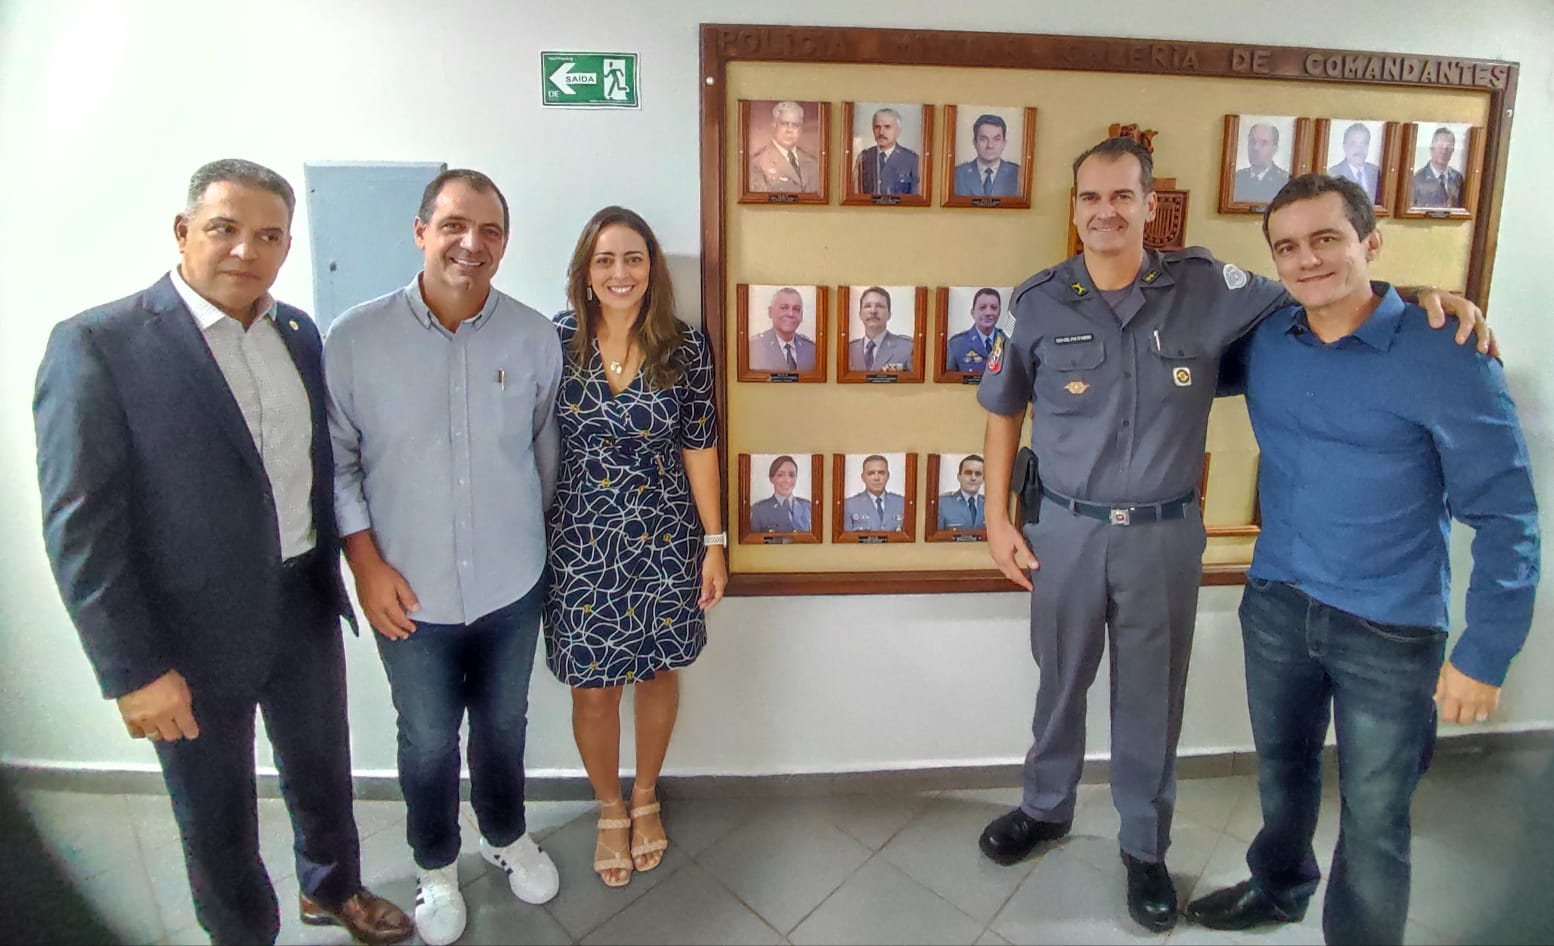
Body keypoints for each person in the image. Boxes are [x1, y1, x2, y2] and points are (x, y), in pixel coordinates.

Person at [973, 136, 1487, 934]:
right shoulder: (1037, 300)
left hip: (1163, 534)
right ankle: (1046, 808)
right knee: (1059, 681)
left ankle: (1145, 849)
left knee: (1152, 698)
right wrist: (997, 516)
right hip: (1064, 530)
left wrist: (1415, 294)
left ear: (1151, 205)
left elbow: (1323, 293)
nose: (1105, 212)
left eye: (1122, 196)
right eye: (1089, 199)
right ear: (1073, 209)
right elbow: (1003, 405)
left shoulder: (1208, 287)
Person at [33, 159, 413, 946]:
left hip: (302, 601)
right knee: (215, 807)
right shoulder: (99, 344)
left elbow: (321, 467)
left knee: (322, 768)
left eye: (268, 236)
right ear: (183, 232)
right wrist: (131, 669)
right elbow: (79, 526)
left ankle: (332, 888)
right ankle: (243, 931)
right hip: (187, 634)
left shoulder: (298, 333)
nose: (247, 250)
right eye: (224, 229)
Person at [1183, 174, 1539, 945]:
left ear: (1370, 243)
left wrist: (1486, 652)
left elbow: (1508, 515)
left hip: (1392, 629)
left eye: (1327, 239)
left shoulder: (1449, 354)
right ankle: (1279, 889)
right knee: (1282, 778)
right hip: (1279, 603)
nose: (1307, 260)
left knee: (1376, 819)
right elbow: (1175, 367)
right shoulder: (1271, 343)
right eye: (1288, 247)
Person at [324, 169, 563, 945]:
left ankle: (505, 835)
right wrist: (365, 566)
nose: (472, 243)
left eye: (491, 230)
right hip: (409, 591)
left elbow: (543, 453)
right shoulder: (354, 339)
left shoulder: (532, 337)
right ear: (421, 230)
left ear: (505, 243)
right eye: (456, 225)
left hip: (510, 582)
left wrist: (538, 546)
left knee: (504, 725)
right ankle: (434, 868)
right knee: (427, 737)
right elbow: (339, 465)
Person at [546, 206, 727, 889]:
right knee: (593, 691)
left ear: (652, 270)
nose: (619, 273)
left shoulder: (685, 347)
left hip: (663, 538)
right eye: (605, 260)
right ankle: (608, 808)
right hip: (580, 541)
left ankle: (646, 794)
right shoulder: (554, 340)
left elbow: (699, 444)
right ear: (585, 273)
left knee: (656, 673)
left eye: (633, 258)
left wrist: (714, 543)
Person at [748, 100, 821, 194]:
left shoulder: (813, 162)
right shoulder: (757, 163)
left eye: (795, 125)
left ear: (801, 129)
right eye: (784, 124)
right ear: (774, 125)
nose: (790, 130)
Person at [847, 286, 914, 372]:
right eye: (867, 306)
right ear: (860, 314)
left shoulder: (907, 348)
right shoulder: (848, 350)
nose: (873, 311)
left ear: (889, 314)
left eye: (879, 306)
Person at [749, 287, 816, 372]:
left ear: (801, 315)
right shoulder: (755, 348)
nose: (791, 314)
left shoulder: (811, 350)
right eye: (784, 308)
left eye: (796, 309)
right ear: (770, 312)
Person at [856, 107, 920, 195]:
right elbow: (856, 194)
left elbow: (916, 199)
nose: (881, 132)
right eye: (877, 127)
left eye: (887, 127)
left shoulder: (911, 160)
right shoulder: (864, 157)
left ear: (898, 131)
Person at [954, 113, 1021, 197]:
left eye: (996, 139)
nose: (990, 145)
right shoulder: (957, 174)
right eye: (983, 139)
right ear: (974, 142)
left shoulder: (1018, 174)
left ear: (1004, 143)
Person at [945, 288, 1008, 373]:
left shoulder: (1008, 341)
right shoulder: (956, 345)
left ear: (999, 312)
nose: (988, 313)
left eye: (993, 308)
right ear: (972, 312)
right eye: (982, 308)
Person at [750, 455, 814, 532]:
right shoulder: (759, 510)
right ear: (771, 478)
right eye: (780, 475)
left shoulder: (807, 506)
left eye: (791, 475)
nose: (787, 480)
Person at [843, 455, 906, 531]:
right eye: (871, 473)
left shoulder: (902, 503)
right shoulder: (849, 505)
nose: (876, 478)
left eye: (881, 473)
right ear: (863, 477)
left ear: (888, 476)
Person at [1233, 122, 1291, 204]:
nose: (1255, 148)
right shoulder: (1236, 178)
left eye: (1263, 143)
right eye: (1252, 141)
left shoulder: (1285, 181)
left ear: (1274, 149)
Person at [1326, 122, 1382, 203]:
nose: (1359, 149)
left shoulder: (1375, 172)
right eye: (1353, 143)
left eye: (1364, 144)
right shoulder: (1333, 173)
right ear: (1344, 146)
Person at [1411, 126, 1465, 208]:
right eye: (1441, 146)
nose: (1444, 151)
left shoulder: (1457, 178)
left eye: (1448, 147)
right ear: (1432, 148)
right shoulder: (1417, 179)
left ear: (1453, 150)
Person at [938, 455, 986, 530]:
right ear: (959, 477)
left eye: (978, 474)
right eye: (968, 473)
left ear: (983, 479)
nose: (973, 478)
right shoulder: (942, 504)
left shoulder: (990, 505)